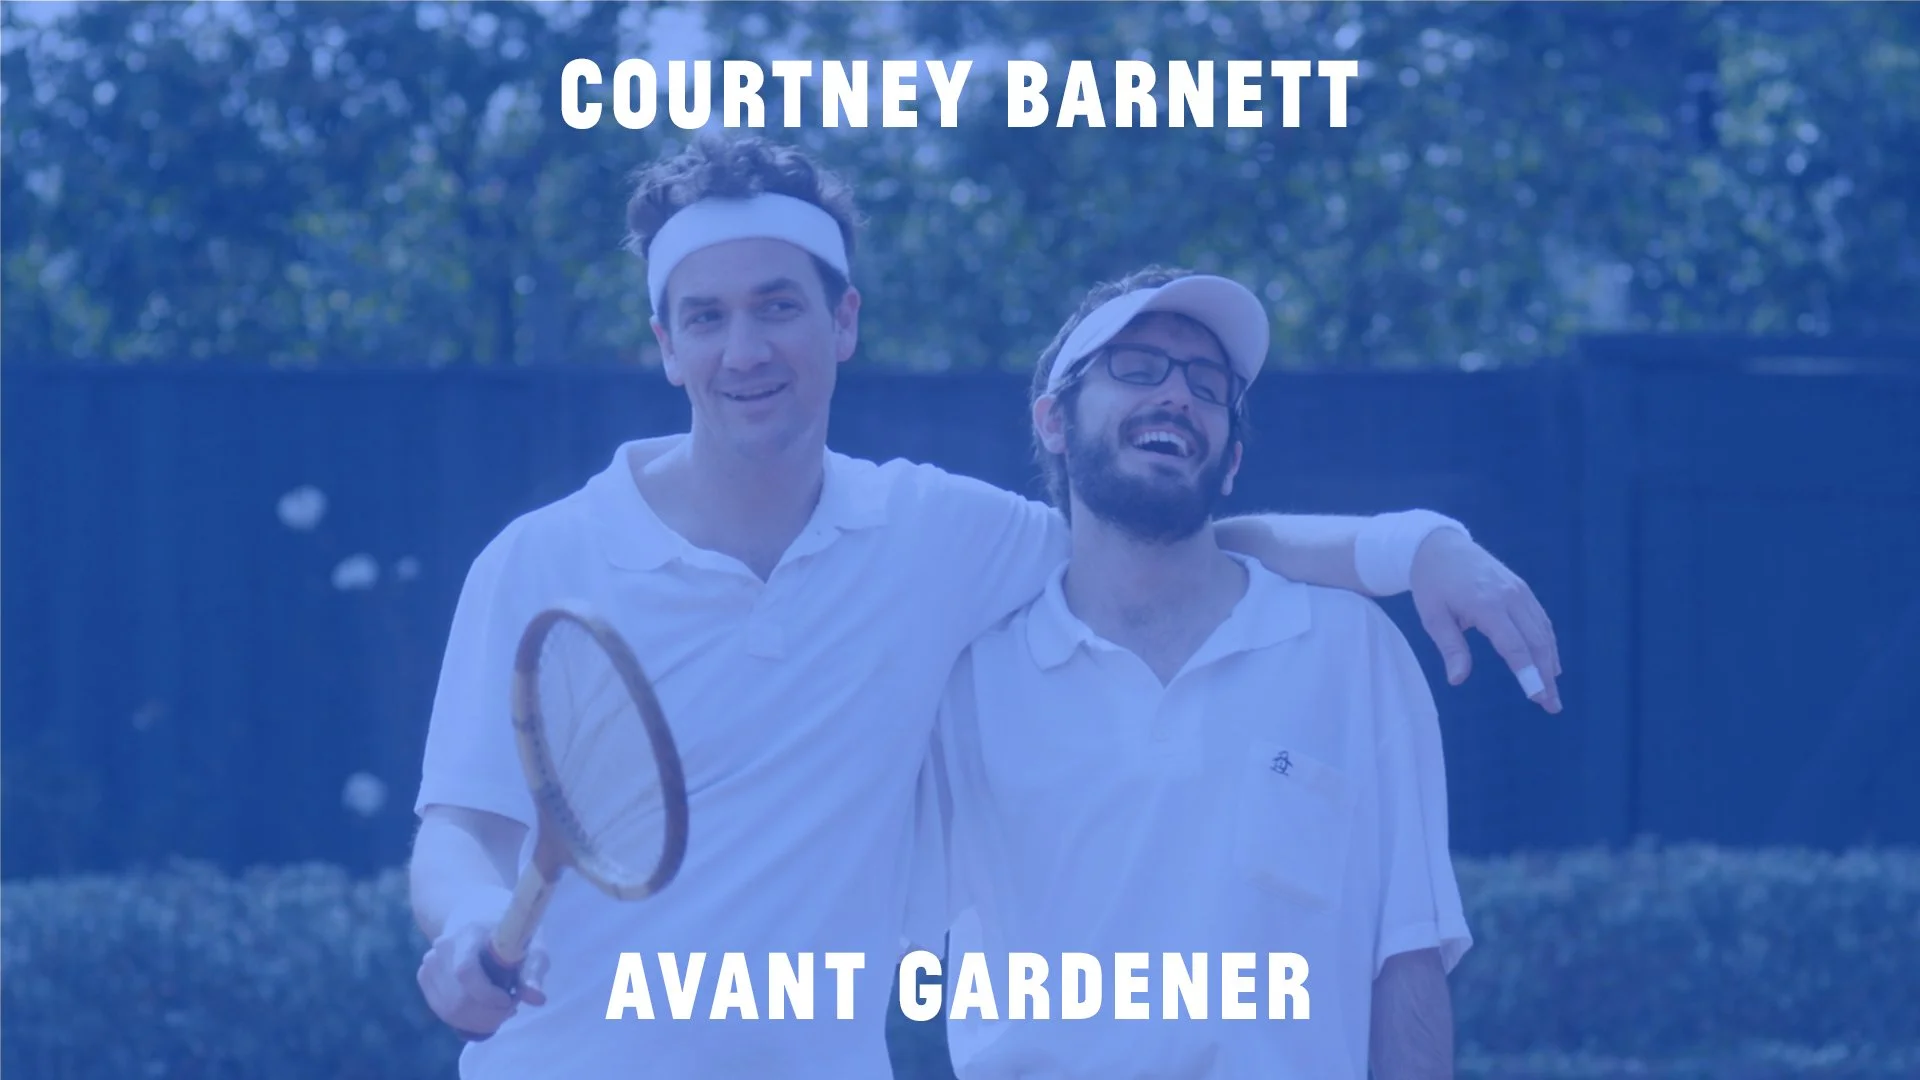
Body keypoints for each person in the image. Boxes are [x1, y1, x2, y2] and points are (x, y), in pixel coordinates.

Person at [408, 136, 1553, 1079]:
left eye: (778, 306)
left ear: (842, 322)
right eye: (705, 317)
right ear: (666, 346)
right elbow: (460, 828)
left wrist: (1408, 546)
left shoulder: (935, 535)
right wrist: (464, 920)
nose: (744, 348)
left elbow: (1161, 538)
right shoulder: (541, 558)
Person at [923, 267, 1466, 1079]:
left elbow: (1408, 960)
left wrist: (1419, 541)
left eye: (1208, 384)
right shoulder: (965, 682)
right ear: (1054, 422)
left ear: (1232, 458)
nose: (1178, 395)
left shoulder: (1351, 653)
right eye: (1138, 367)